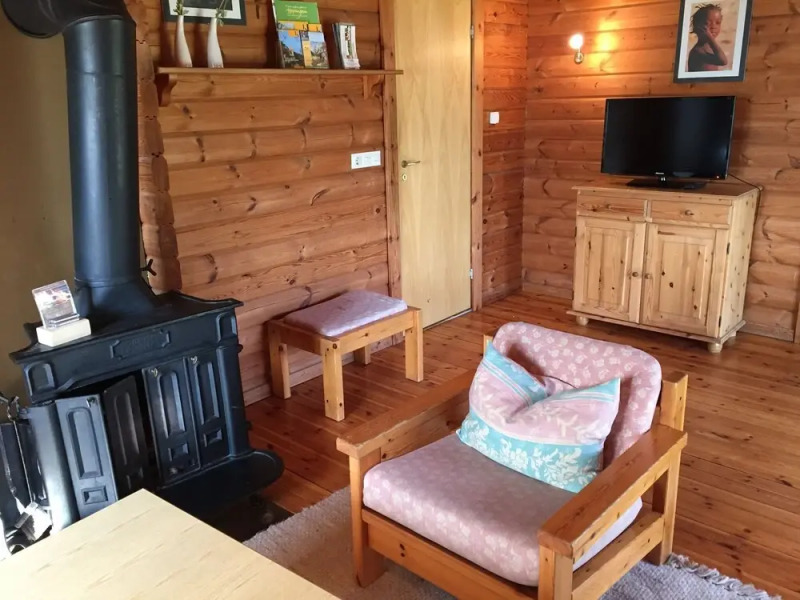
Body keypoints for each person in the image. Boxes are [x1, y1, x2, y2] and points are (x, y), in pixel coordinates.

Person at [687, 3, 728, 71]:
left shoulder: (711, 48)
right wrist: (710, 38)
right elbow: (723, 61)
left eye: (718, 23)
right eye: (707, 23)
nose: (713, 27)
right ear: (697, 27)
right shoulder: (698, 51)